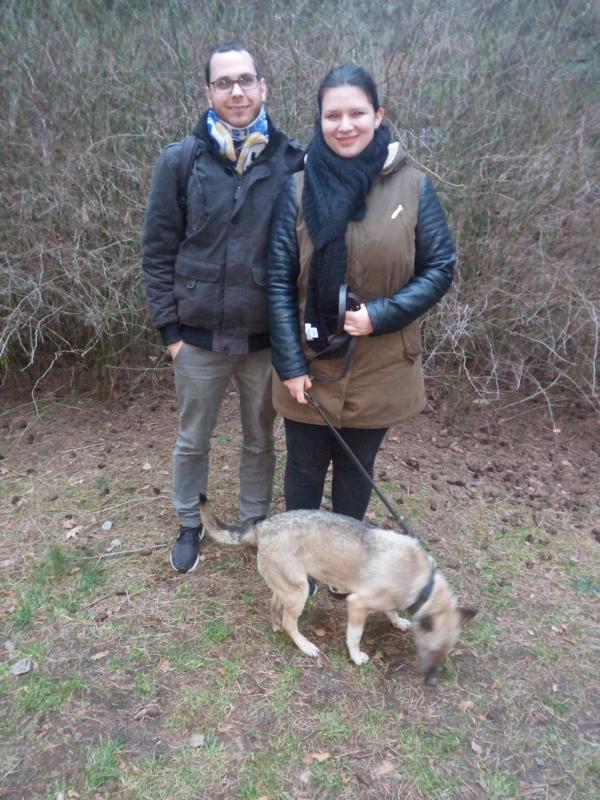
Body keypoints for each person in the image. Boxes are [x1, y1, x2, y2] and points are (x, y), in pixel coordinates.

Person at [267, 63, 457, 528]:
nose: (345, 125)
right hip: (309, 362)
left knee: (356, 468)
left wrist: (381, 315)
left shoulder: (412, 186)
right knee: (304, 467)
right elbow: (277, 280)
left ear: (378, 115)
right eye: (333, 115)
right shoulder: (296, 188)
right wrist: (289, 363)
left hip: (381, 362)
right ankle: (302, 555)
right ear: (320, 120)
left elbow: (440, 266)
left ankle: (346, 555)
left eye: (357, 113)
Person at [142, 41, 303, 573]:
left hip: (265, 340)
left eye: (246, 80)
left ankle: (255, 523)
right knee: (193, 440)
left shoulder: (293, 161)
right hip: (197, 338)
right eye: (224, 82)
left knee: (260, 440)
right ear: (208, 92)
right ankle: (190, 521)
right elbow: (157, 252)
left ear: (263, 87)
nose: (237, 91)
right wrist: (170, 333)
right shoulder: (180, 160)